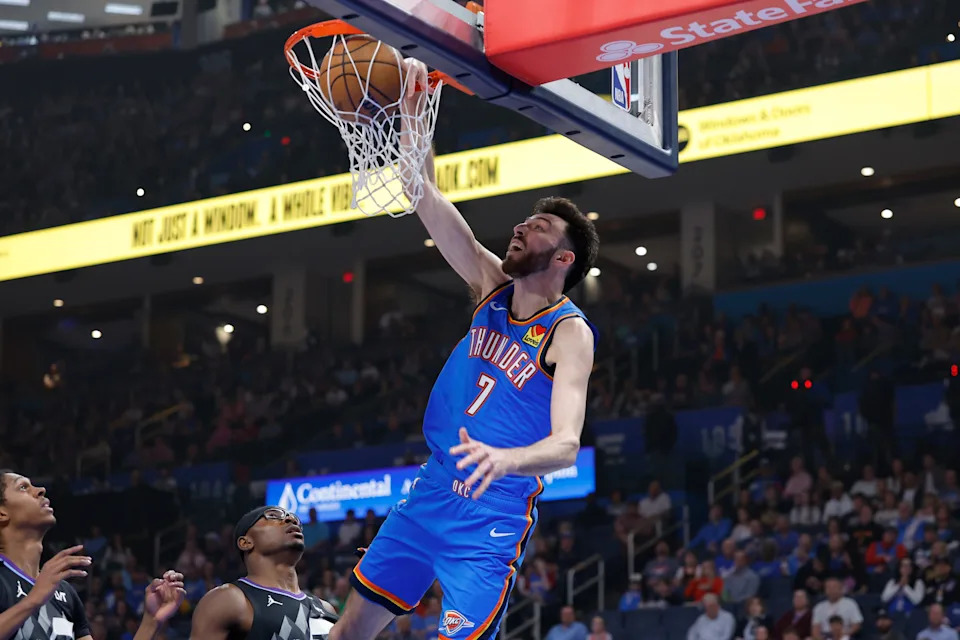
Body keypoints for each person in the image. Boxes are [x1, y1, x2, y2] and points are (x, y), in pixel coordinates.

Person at [329, 61, 599, 640]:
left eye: (542, 226)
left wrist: (506, 460)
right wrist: (410, 109)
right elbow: (422, 196)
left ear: (564, 259)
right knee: (348, 631)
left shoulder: (569, 333)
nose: (525, 226)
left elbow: (566, 445)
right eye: (527, 219)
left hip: (491, 512)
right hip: (432, 489)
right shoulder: (490, 285)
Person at [0, 470, 184, 640]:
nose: (41, 489)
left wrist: (151, 621)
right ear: (2, 513)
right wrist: (34, 599)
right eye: (23, 487)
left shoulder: (64, 592)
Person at [190, 506, 340, 639]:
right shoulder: (229, 599)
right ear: (246, 542)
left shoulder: (325, 608)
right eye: (274, 515)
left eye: (296, 520)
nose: (290, 519)